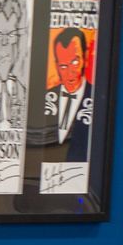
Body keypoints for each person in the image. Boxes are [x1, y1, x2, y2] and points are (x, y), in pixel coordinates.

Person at [40, 26, 94, 163]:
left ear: (85, 59)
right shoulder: (44, 97)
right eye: (63, 66)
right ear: (57, 66)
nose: (70, 72)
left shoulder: (96, 98)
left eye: (75, 62)